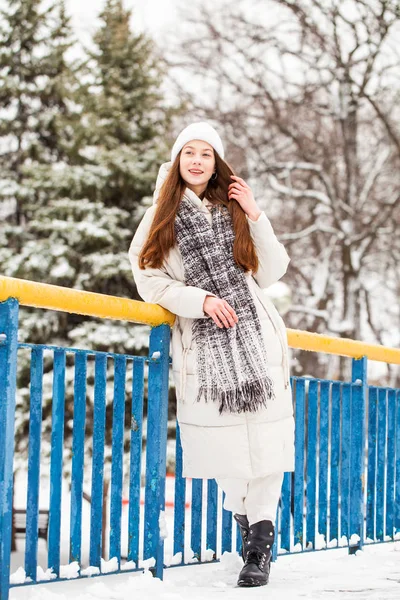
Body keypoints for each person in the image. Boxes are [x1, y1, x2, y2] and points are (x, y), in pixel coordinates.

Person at [129, 121, 295, 588]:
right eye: (189, 153)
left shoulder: (234, 207)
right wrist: (199, 301)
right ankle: (247, 521)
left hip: (257, 342)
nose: (197, 161)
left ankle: (259, 543)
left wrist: (255, 213)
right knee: (226, 452)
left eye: (206, 153)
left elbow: (271, 271)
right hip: (205, 351)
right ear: (178, 160)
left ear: (217, 162)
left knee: (267, 447)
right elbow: (149, 279)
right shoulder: (161, 214)